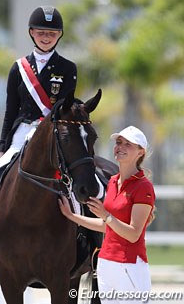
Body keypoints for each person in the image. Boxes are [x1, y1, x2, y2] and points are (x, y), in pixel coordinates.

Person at [0, 6, 77, 283]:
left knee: (80, 193)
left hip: (51, 136)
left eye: (51, 33)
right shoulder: (19, 68)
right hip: (21, 134)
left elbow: (64, 111)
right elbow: (10, 110)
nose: (46, 36)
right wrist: (3, 146)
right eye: (41, 32)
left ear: (59, 35)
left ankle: (89, 249)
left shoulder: (67, 69)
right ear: (31, 33)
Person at [59, 126, 156, 303]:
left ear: (140, 152)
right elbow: (108, 226)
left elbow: (133, 234)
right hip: (105, 264)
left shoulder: (144, 187)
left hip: (130, 266)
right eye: (119, 142)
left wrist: (105, 215)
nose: (120, 147)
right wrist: (72, 216)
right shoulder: (112, 182)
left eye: (128, 144)